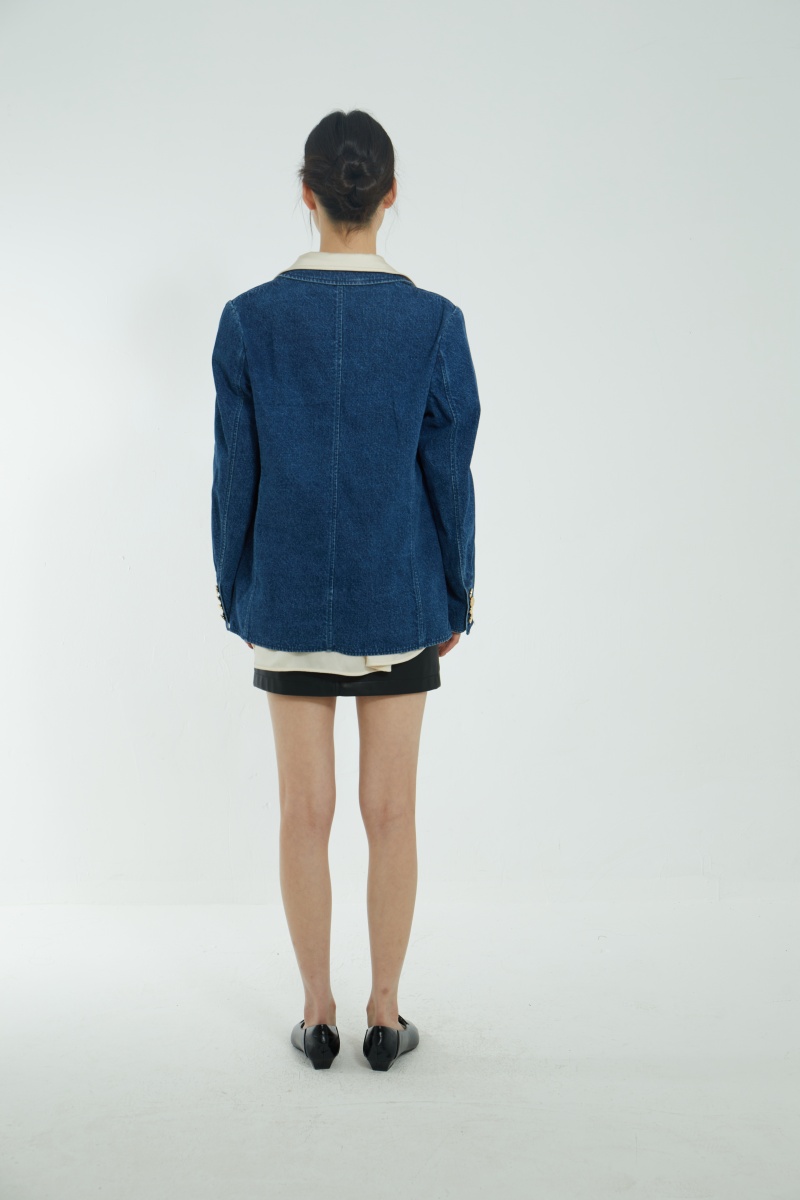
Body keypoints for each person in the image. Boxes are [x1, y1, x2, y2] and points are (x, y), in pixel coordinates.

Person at [210, 109, 481, 1071]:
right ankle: (386, 1014)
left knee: (304, 812)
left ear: (307, 193)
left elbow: (234, 474)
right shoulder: (434, 321)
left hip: (286, 599)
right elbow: (449, 471)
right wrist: (456, 592)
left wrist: (235, 589)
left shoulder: (248, 319)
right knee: (392, 812)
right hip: (398, 595)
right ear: (391, 194)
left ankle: (318, 1014)